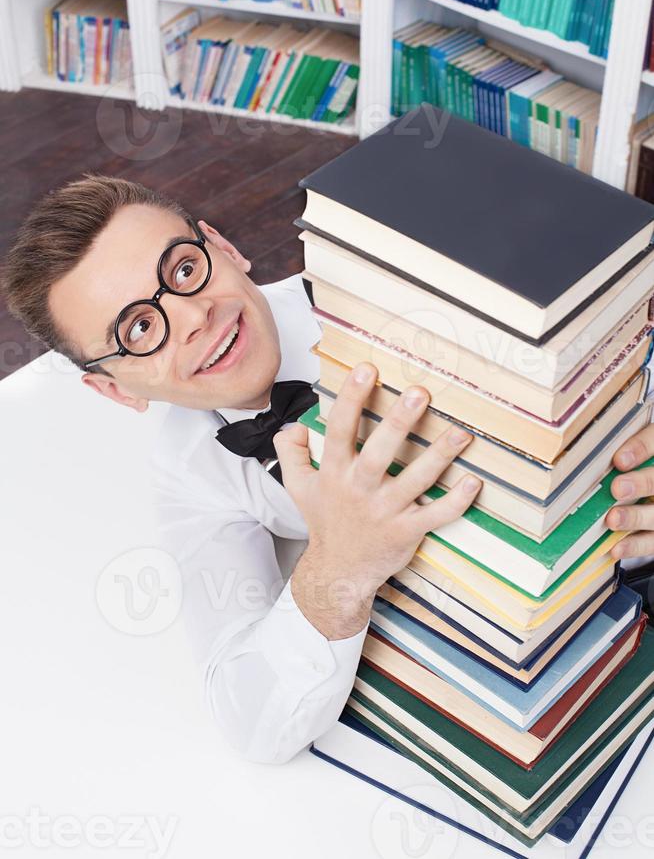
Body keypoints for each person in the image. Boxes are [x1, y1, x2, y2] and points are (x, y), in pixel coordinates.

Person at [2, 175, 653, 763]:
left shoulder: (397, 295)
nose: (196, 318)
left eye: (183, 269)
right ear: (118, 392)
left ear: (223, 248)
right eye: (142, 329)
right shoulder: (190, 470)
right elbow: (252, 723)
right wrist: (340, 570)